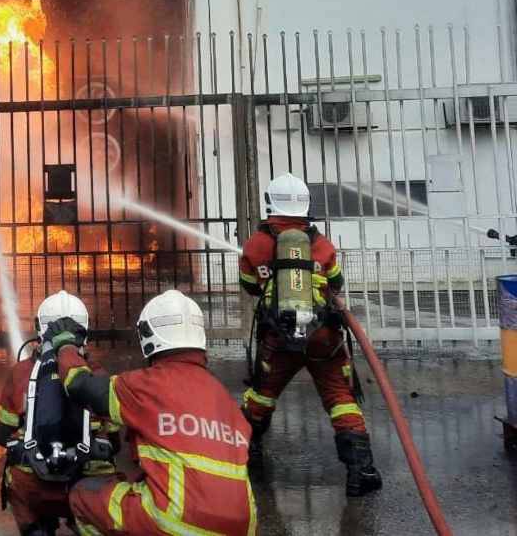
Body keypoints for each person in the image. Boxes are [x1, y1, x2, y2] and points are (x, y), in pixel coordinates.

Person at [42, 290, 257, 536]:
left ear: (147, 335)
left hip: (176, 522)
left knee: (84, 494)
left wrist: (65, 344)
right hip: (243, 527)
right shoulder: (225, 399)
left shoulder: (147, 385)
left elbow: (81, 386)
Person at [238, 172, 382, 497]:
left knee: (262, 394)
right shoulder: (319, 242)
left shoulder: (257, 244)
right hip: (323, 337)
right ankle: (360, 471)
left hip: (280, 337)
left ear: (270, 204)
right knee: (339, 397)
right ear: (305, 204)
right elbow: (336, 282)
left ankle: (245, 453)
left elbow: (249, 286)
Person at [0, 291, 120, 536]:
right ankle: (84, 522)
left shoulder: (21, 373)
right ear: (84, 332)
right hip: (85, 487)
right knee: (108, 476)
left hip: (34, 487)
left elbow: (2, 435)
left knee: (6, 465)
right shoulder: (98, 375)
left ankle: (36, 527)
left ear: (40, 329)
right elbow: (114, 443)